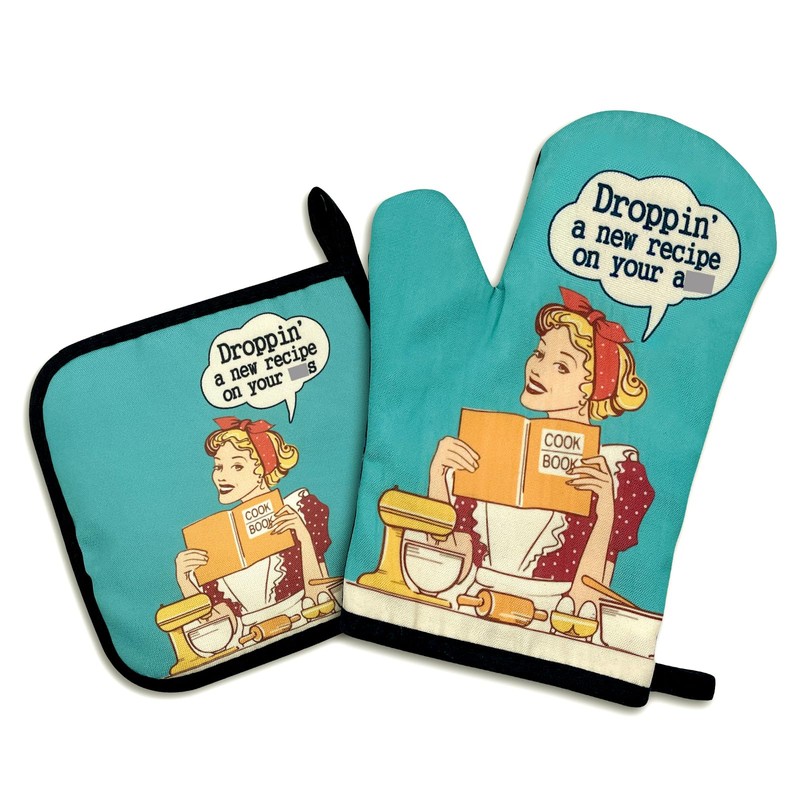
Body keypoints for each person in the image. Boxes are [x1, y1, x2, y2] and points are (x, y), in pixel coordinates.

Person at [427, 287, 654, 626]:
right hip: (471, 607)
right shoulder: (493, 441)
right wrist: (438, 479)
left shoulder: (618, 473)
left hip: (554, 621)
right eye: (539, 353)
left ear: (591, 390)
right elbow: (452, 562)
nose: (537, 369)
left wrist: (605, 510)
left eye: (561, 366)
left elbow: (591, 594)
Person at [175, 417, 333, 634]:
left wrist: (304, 537)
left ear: (261, 470)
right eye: (218, 466)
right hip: (250, 638)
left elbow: (321, 594)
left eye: (237, 466)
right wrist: (185, 582)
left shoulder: (300, 509)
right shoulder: (214, 536)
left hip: (308, 623)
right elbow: (220, 626)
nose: (222, 476)